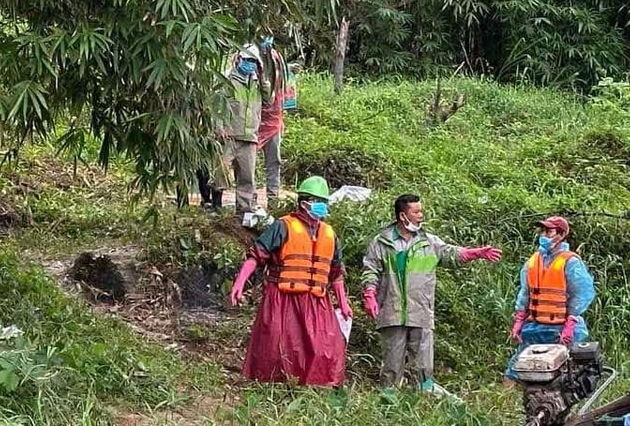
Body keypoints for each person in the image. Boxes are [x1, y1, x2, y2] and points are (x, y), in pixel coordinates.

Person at [361, 193, 500, 391]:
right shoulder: (382, 242)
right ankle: (388, 401)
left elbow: (451, 254)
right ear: (403, 216)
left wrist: (475, 253)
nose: (421, 215)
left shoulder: (428, 241)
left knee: (424, 365)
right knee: (391, 364)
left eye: (421, 211)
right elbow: (370, 270)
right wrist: (369, 294)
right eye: (416, 211)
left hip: (421, 311)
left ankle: (424, 399)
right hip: (392, 311)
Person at [230, 175, 350, 386]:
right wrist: (239, 283)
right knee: (279, 345)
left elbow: (335, 273)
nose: (323, 206)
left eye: (324, 202)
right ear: (305, 203)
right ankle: (272, 386)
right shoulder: (283, 226)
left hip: (316, 302)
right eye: (318, 201)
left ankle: (315, 386)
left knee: (325, 346)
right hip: (283, 299)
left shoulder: (329, 234)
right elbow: (256, 256)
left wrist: (343, 302)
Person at [510, 215, 595, 358]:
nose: (543, 235)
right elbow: (525, 293)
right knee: (518, 370)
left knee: (563, 371)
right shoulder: (533, 261)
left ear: (561, 235)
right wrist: (519, 320)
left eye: (549, 232)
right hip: (534, 327)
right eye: (542, 231)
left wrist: (570, 323)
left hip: (560, 328)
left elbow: (582, 294)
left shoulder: (570, 262)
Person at [214, 46, 263, 216]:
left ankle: (244, 210)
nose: (250, 64)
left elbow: (271, 97)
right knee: (221, 172)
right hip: (230, 135)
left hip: (249, 136)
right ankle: (216, 206)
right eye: (248, 60)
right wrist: (219, 127)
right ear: (239, 60)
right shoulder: (228, 80)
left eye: (253, 61)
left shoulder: (258, 83)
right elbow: (217, 105)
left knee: (247, 176)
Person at [256, 37, 289, 205]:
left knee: (274, 161)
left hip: (274, 118)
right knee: (247, 163)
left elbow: (284, 83)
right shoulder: (247, 56)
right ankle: (248, 200)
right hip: (253, 119)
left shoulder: (276, 58)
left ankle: (273, 199)